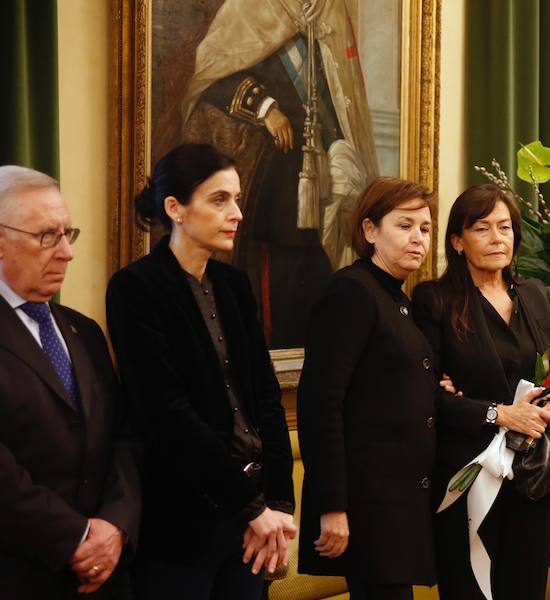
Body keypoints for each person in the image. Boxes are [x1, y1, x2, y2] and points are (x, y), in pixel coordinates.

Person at [106, 144, 296, 599]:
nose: (236, 214)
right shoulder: (136, 288)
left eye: (235, 199)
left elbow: (265, 396)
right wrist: (251, 507)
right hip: (181, 519)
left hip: (253, 514)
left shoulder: (234, 285)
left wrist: (279, 503)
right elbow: (166, 414)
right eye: (219, 200)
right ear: (174, 208)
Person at [181, 0, 379, 348]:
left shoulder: (323, 18)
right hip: (270, 187)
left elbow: (334, 96)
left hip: (315, 181)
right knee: (275, 283)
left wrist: (339, 149)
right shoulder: (249, 8)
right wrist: (264, 108)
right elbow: (210, 77)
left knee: (315, 279)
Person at [411, 184, 550, 600]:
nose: (498, 238)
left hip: (532, 472)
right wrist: (498, 413)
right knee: (470, 589)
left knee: (525, 587)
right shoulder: (435, 300)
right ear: (458, 242)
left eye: (505, 227)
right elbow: (427, 397)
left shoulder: (532, 294)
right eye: (483, 229)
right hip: (470, 470)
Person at [0, 166, 140, 598]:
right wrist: (76, 538)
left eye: (67, 234)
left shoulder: (85, 331)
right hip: (20, 573)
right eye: (47, 236)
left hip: (105, 573)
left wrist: (114, 525)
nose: (66, 252)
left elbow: (124, 435)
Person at [297, 177, 437, 599]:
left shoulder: (396, 297)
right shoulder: (352, 290)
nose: (418, 239)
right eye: (405, 225)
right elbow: (321, 403)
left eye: (426, 229)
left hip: (396, 506)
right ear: (370, 230)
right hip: (366, 507)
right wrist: (333, 507)